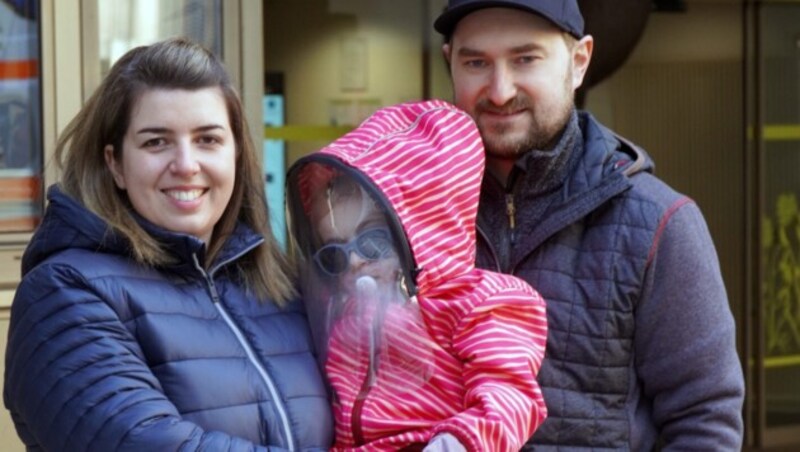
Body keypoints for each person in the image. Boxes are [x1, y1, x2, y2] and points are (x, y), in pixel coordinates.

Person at [433, 0, 746, 450]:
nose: (499, 90)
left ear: (579, 62)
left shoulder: (659, 223)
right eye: (476, 62)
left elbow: (703, 421)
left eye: (525, 58)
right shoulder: (408, 215)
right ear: (451, 64)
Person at [3, 37, 333, 451]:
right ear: (115, 164)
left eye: (208, 139)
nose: (185, 165)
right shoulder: (64, 293)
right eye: (156, 142)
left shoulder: (275, 285)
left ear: (236, 154)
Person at [285, 99, 548, 451]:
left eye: (374, 242)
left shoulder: (482, 303)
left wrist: (452, 445)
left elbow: (508, 397)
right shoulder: (346, 320)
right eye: (334, 254)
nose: (353, 263)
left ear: (423, 232)